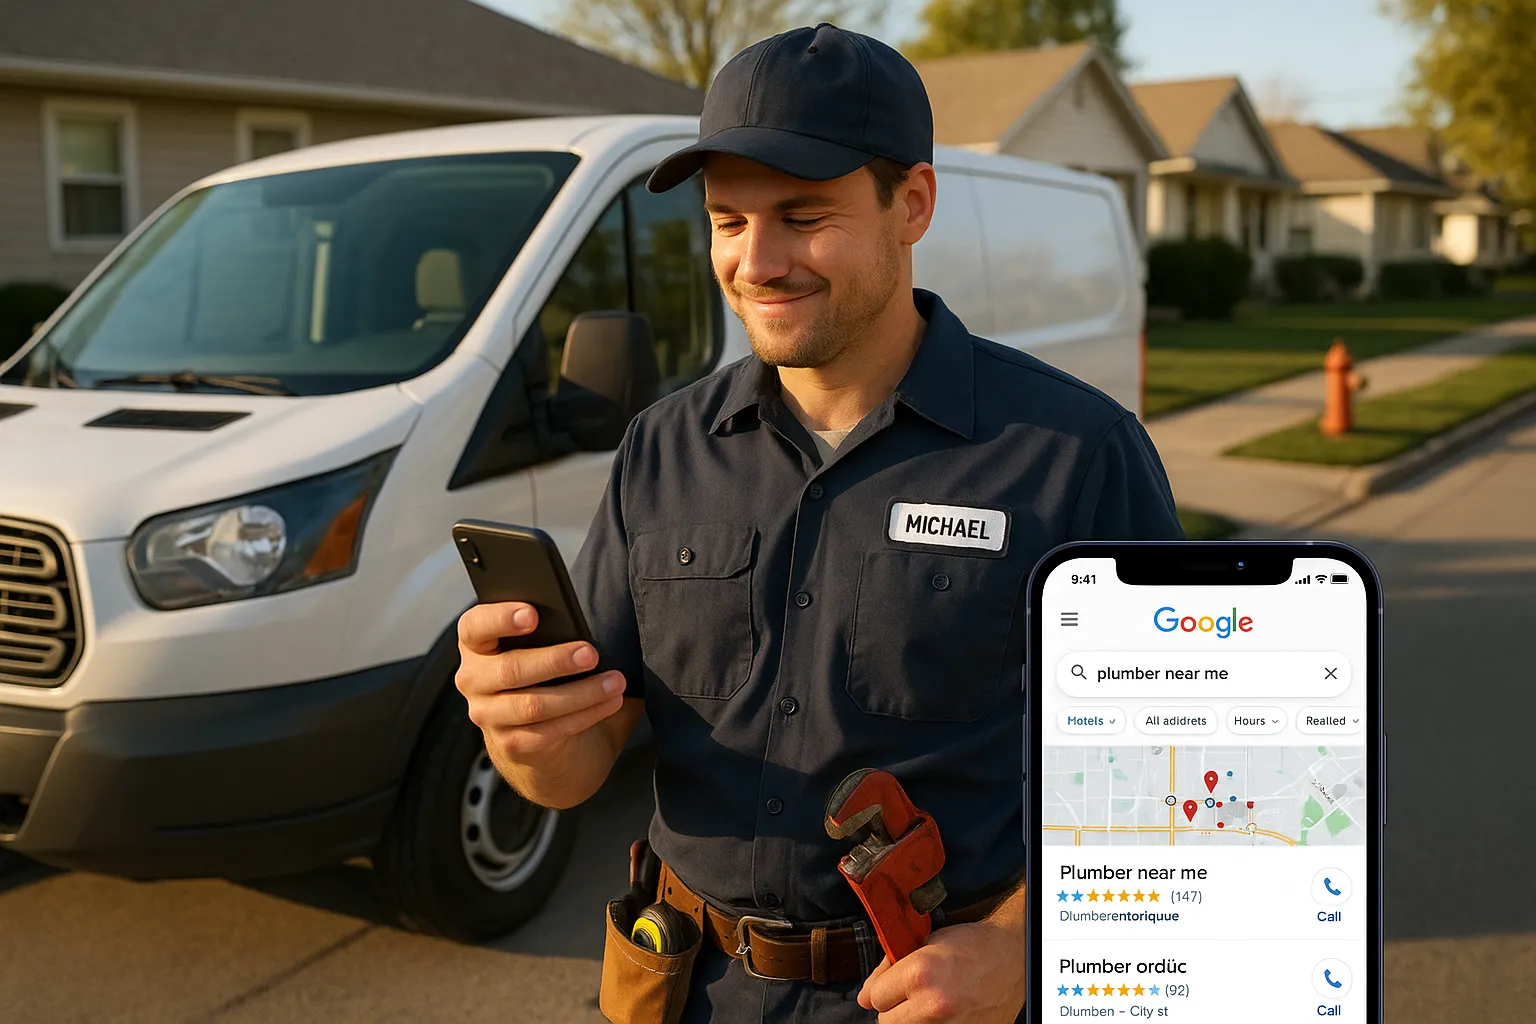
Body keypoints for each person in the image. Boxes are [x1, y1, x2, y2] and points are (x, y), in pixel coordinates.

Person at [455, 22, 1183, 1024]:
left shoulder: (1075, 457)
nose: (758, 261)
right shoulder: (660, 450)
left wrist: (1027, 950)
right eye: (727, 222)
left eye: (803, 215)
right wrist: (524, 735)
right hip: (685, 992)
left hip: (931, 998)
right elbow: (579, 764)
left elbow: (1173, 780)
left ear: (911, 205)